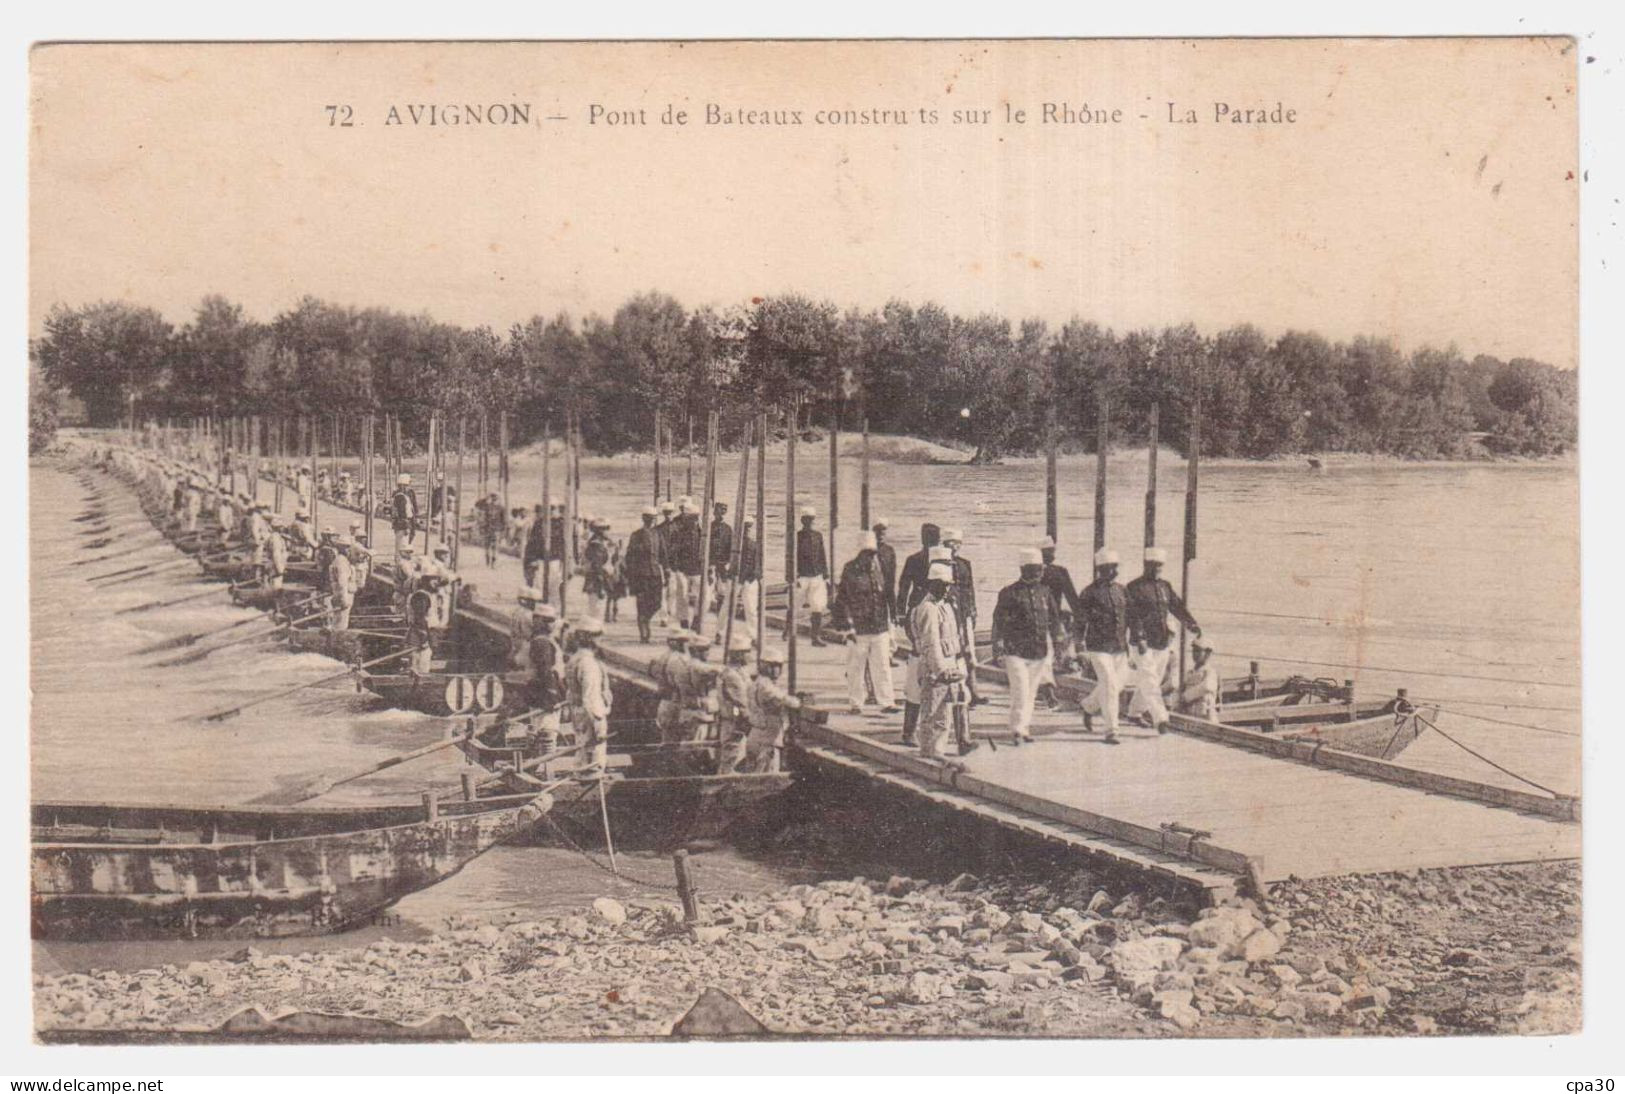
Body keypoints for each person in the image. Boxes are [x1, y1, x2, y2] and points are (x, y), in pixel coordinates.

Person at [992, 548, 1072, 743]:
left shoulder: (1045, 593)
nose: (1039, 574)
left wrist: (1059, 645)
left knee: (1031, 693)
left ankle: (1023, 727)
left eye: (1040, 570)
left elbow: (1054, 620)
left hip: (1039, 652)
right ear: (1024, 570)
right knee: (1020, 691)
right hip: (1016, 652)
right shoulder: (1009, 593)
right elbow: (999, 622)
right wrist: (999, 647)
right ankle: (1017, 729)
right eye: (1035, 570)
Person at [1126, 546, 1202, 733]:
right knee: (1150, 680)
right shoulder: (1134, 587)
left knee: (1153, 679)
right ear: (1146, 565)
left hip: (1162, 641)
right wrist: (1140, 637)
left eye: (1160, 565)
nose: (1157, 568)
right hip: (1142, 643)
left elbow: (1176, 606)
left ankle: (1134, 712)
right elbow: (1132, 616)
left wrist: (1191, 623)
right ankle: (1161, 719)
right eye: (1154, 565)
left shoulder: (1165, 586)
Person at [912, 560, 974, 761]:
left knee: (944, 714)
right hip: (934, 669)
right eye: (944, 585)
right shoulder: (928, 608)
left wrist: (956, 665)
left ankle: (936, 752)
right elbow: (931, 643)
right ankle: (929, 753)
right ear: (933, 584)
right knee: (932, 713)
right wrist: (940, 670)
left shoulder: (945, 606)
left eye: (949, 584)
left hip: (949, 665)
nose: (948, 589)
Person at [832, 530, 898, 715]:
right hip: (859, 629)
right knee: (855, 667)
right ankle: (856, 703)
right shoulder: (850, 570)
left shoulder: (880, 569)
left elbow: (887, 594)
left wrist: (893, 616)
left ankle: (886, 702)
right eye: (867, 554)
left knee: (882, 666)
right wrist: (846, 627)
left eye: (872, 554)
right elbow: (841, 601)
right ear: (860, 554)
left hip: (879, 626)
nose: (870, 558)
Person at [1077, 547, 1129, 744]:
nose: (1114, 571)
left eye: (1115, 567)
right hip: (1098, 647)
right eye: (1110, 568)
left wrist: (1137, 638)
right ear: (1101, 569)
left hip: (1119, 647)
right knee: (1109, 684)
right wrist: (1079, 645)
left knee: (1116, 685)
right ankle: (1111, 730)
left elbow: (1131, 617)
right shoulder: (1089, 593)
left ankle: (1088, 706)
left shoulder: (1122, 590)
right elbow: (1080, 621)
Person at [1036, 536, 1083, 708]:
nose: (1052, 554)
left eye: (1052, 551)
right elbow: (1072, 597)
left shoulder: (1057, 572)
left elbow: (1071, 596)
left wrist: (1079, 614)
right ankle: (1048, 688)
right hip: (1045, 618)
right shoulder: (1055, 572)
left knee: (1051, 653)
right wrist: (1078, 614)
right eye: (1048, 551)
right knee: (1047, 654)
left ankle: (1049, 685)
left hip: (1053, 617)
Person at [741, 645, 801, 773]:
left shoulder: (756, 683)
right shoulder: (765, 686)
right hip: (767, 741)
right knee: (766, 780)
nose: (777, 670)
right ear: (765, 666)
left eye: (778, 666)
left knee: (752, 778)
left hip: (756, 736)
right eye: (773, 666)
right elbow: (785, 700)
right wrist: (799, 701)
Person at [941, 529, 984, 707]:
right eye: (951, 543)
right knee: (953, 652)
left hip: (964, 613)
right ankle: (958, 692)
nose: (955, 546)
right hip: (949, 614)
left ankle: (973, 691)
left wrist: (973, 610)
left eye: (957, 543)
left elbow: (970, 589)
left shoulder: (965, 564)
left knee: (969, 652)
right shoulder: (940, 565)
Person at [567, 617, 612, 776]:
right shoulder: (588, 663)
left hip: (579, 712)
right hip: (591, 715)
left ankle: (581, 778)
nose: (601, 639)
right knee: (593, 758)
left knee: (582, 754)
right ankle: (590, 789)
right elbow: (591, 696)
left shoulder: (576, 658)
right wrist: (597, 727)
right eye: (598, 636)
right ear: (589, 638)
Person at [624, 507, 667, 642]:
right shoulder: (636, 535)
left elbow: (663, 554)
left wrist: (667, 570)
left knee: (657, 603)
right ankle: (643, 630)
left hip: (655, 574)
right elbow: (629, 557)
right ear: (644, 518)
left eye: (653, 518)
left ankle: (645, 619)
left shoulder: (658, 534)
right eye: (649, 518)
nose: (651, 520)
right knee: (641, 603)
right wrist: (631, 576)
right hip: (640, 575)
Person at [715, 630, 756, 773]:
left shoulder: (738, 672)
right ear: (739, 654)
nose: (750, 656)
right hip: (734, 723)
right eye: (747, 652)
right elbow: (742, 703)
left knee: (733, 758)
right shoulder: (733, 676)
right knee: (731, 760)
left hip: (734, 721)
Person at [527, 604, 566, 753]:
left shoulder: (539, 640)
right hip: (545, 694)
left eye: (552, 620)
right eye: (547, 621)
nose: (552, 624)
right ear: (539, 621)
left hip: (538, 692)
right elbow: (545, 671)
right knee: (547, 732)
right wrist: (553, 695)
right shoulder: (542, 642)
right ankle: (544, 766)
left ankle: (536, 761)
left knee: (538, 729)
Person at [648, 627, 693, 744]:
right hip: (676, 702)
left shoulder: (662, 657)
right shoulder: (680, 660)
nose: (687, 645)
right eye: (684, 642)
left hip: (664, 702)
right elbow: (682, 684)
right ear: (676, 643)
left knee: (667, 739)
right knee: (679, 741)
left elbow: (652, 673)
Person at [795, 507, 830, 645]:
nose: (809, 522)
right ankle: (787, 630)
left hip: (816, 576)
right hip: (801, 576)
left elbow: (822, 555)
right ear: (802, 520)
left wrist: (826, 575)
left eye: (811, 520)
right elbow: (792, 557)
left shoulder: (818, 536)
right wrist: (794, 576)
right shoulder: (797, 536)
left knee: (817, 607)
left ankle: (815, 637)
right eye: (807, 520)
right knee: (794, 605)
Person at [667, 498, 703, 628]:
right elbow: (672, 551)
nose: (694, 521)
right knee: (682, 594)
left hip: (697, 568)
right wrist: (675, 567)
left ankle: (698, 617)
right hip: (682, 568)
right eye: (691, 518)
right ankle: (683, 620)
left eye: (695, 518)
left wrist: (709, 568)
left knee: (703, 595)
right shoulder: (678, 532)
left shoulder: (702, 533)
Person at [581, 518, 615, 621]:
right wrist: (601, 586)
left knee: (596, 609)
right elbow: (597, 567)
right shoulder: (596, 545)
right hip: (597, 582)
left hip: (597, 581)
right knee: (597, 610)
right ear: (599, 531)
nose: (607, 532)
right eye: (605, 529)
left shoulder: (599, 543)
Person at [1180, 637, 1220, 720]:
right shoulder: (1189, 673)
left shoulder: (1210, 672)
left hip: (1206, 718)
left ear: (1208, 653)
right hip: (1190, 716)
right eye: (1194, 651)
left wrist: (1185, 697)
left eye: (1198, 651)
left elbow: (1207, 686)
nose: (1194, 654)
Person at [327, 535, 356, 630]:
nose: (349, 549)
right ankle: (337, 641)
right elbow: (342, 583)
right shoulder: (341, 562)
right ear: (341, 548)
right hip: (343, 595)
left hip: (341, 594)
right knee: (341, 624)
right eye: (347, 547)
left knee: (338, 621)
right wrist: (344, 600)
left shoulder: (340, 560)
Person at [872, 519, 898, 622]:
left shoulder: (889, 550)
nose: (880, 536)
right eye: (878, 533)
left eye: (883, 533)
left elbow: (891, 579)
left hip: (885, 589)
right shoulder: (868, 550)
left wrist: (893, 610)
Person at [510, 585, 541, 669]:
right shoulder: (529, 615)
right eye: (536, 602)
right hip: (526, 644)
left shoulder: (517, 612)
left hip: (517, 643)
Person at [390, 473, 418, 561]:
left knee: (400, 543)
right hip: (403, 524)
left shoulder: (400, 495)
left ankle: (399, 560)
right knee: (403, 543)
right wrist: (407, 526)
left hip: (401, 523)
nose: (407, 487)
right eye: (406, 485)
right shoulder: (401, 497)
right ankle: (401, 561)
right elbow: (403, 512)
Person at [522, 503, 548, 589]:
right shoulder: (532, 521)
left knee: (534, 570)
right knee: (530, 570)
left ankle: (533, 588)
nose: (538, 514)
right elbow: (526, 536)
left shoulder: (541, 522)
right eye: (537, 512)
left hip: (537, 549)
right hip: (532, 549)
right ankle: (530, 587)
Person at [477, 492, 505, 568]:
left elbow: (503, 520)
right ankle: (489, 560)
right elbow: (478, 505)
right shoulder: (487, 506)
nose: (494, 498)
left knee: (494, 546)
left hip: (495, 529)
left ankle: (492, 562)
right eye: (493, 496)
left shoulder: (501, 508)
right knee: (488, 546)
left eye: (495, 497)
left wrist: (502, 531)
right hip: (489, 529)